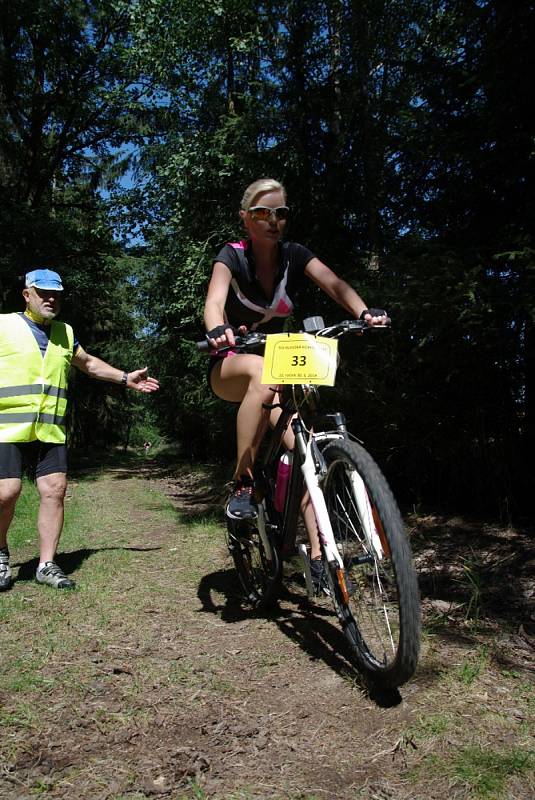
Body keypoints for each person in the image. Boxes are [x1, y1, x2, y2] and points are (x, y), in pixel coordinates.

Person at [203, 178, 387, 592]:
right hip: (231, 364)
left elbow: (334, 283)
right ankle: (244, 482)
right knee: (261, 373)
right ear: (245, 218)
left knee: (305, 456)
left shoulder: (294, 255)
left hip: (280, 369)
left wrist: (364, 312)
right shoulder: (232, 257)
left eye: (280, 213)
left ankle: (322, 560)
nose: (272, 221)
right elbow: (214, 300)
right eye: (262, 214)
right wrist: (218, 328)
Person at [0, 269, 160, 592]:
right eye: (42, 292)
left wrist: (125, 377)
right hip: (7, 427)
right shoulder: (4, 325)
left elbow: (88, 364)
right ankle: (1, 553)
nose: (50, 298)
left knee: (55, 490)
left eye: (56, 293)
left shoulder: (65, 333)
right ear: (26, 295)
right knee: (6, 492)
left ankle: (46, 564)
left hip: (50, 428)